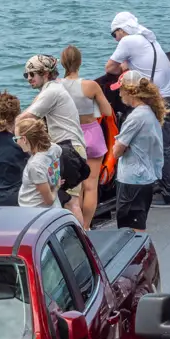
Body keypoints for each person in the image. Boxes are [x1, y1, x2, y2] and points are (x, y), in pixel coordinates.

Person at [107, 12, 170, 207]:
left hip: (162, 98)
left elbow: (109, 67)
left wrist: (124, 69)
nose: (115, 39)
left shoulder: (128, 41)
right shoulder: (148, 39)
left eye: (113, 34)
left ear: (121, 30)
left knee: (164, 146)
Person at [23, 54, 87, 219]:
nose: (29, 78)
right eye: (26, 75)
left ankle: (81, 239)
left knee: (70, 202)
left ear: (45, 74)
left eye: (32, 74)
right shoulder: (52, 89)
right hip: (68, 148)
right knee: (69, 200)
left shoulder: (51, 91)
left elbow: (27, 118)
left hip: (68, 149)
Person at [59, 45, 115, 227]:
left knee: (76, 187)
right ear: (80, 62)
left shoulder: (57, 86)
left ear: (62, 63)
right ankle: (87, 226)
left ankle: (76, 226)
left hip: (70, 137)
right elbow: (107, 111)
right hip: (91, 134)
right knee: (91, 185)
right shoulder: (91, 86)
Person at [114, 71, 167, 230]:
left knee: (130, 229)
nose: (119, 93)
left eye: (121, 89)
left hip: (132, 180)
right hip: (145, 177)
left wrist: (119, 146)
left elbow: (116, 151)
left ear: (130, 91)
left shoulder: (135, 118)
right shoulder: (149, 113)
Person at [14, 111, 63, 209]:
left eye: (16, 139)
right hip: (55, 208)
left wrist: (57, 187)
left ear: (24, 139)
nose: (17, 143)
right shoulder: (55, 148)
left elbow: (48, 200)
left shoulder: (35, 165)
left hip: (35, 212)